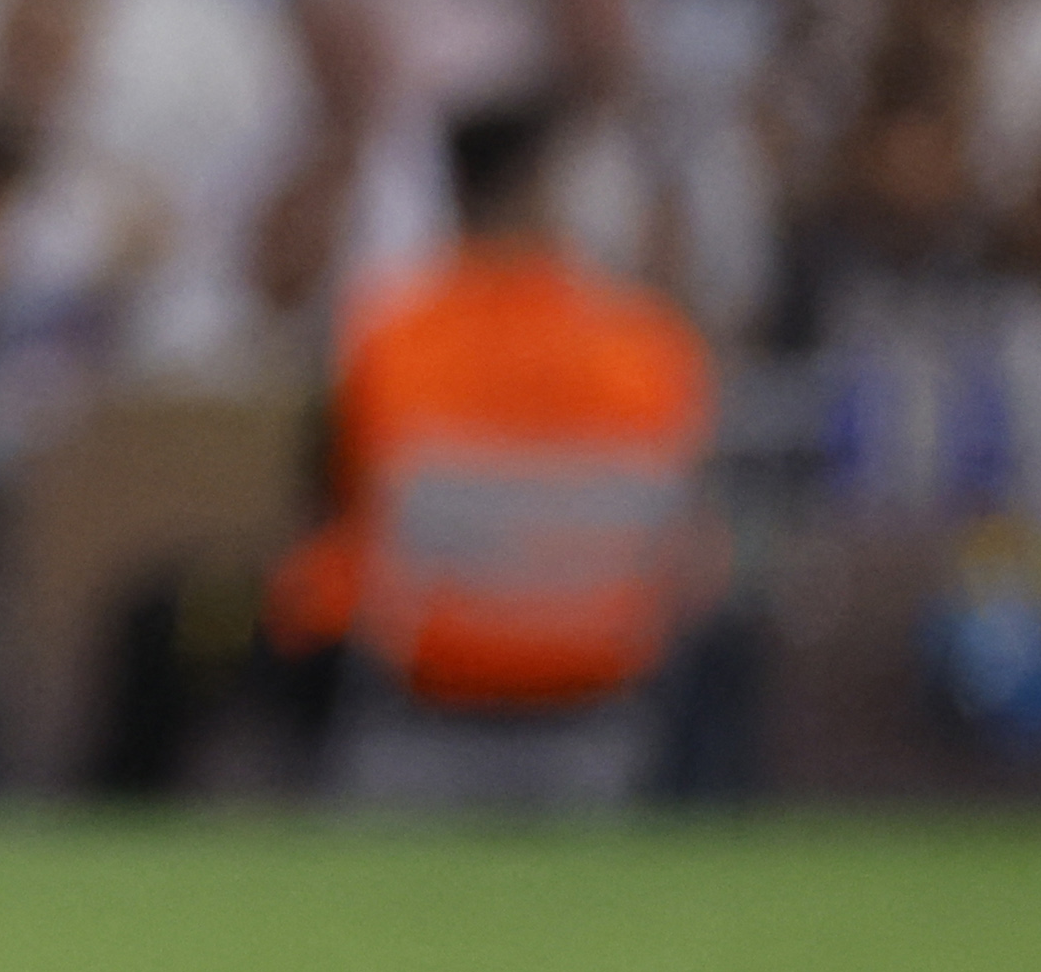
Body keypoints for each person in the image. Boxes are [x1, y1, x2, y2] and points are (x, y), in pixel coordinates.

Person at [268, 96, 716, 808]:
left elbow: (335, 515)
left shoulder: (388, 340)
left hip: (419, 691)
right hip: (603, 707)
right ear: (545, 189)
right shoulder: (651, 348)